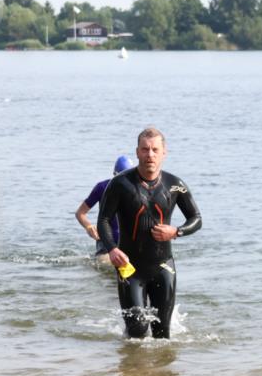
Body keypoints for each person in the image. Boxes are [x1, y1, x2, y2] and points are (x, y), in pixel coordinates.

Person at [97, 128, 202, 339]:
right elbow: (103, 220)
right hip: (129, 267)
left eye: (155, 150)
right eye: (145, 149)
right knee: (137, 330)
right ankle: (130, 357)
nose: (150, 155)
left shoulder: (175, 185)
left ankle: (158, 363)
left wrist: (176, 231)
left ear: (164, 153)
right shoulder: (120, 184)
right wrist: (112, 249)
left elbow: (196, 219)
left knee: (162, 334)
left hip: (163, 266)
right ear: (137, 152)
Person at [76, 155, 135, 265]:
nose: (124, 182)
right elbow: (80, 213)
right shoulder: (102, 188)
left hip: (129, 242)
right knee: (106, 263)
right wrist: (88, 226)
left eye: (128, 178)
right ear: (114, 175)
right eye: (120, 178)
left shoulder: (138, 190)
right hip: (106, 242)